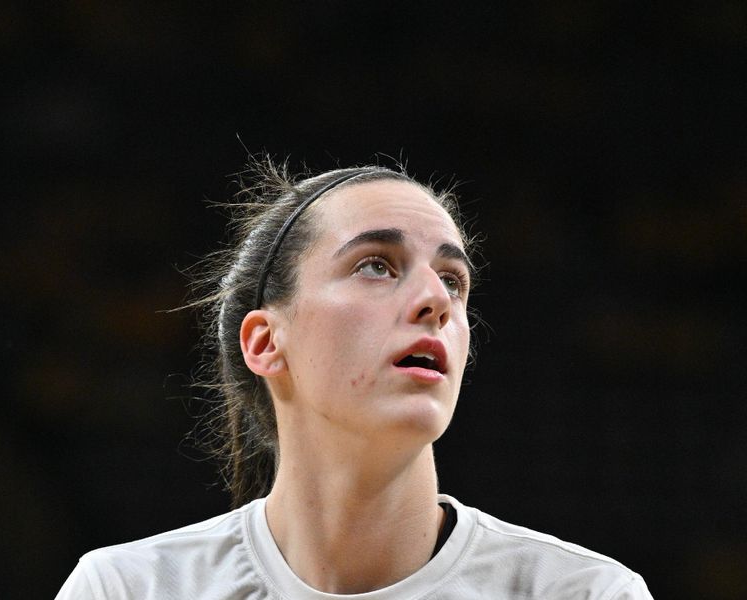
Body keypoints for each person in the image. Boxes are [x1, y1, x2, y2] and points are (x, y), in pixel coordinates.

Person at [56, 159, 653, 599]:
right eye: (376, 265)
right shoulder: (128, 589)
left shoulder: (586, 593)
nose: (434, 300)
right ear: (266, 342)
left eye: (453, 280)